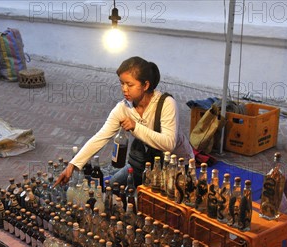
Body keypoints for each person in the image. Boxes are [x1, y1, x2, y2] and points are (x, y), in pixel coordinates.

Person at [54, 56, 194, 188]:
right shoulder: (123, 107)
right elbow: (100, 137)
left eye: (129, 84)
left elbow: (168, 144)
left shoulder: (166, 103)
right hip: (146, 163)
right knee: (112, 187)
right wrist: (72, 165)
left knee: (156, 204)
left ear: (145, 85)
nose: (124, 89)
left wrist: (135, 127)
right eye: (122, 83)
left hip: (176, 166)